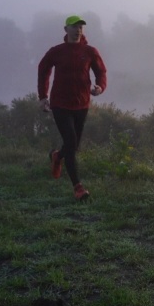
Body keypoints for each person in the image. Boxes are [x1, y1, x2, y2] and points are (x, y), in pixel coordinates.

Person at [37, 15, 107, 201]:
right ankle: (78, 187)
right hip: (60, 103)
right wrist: (43, 96)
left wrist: (100, 87)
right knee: (70, 141)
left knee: (73, 146)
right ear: (65, 29)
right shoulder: (57, 51)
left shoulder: (90, 51)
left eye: (81, 28)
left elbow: (101, 71)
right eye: (74, 27)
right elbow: (43, 69)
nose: (78, 30)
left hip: (82, 103)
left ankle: (57, 156)